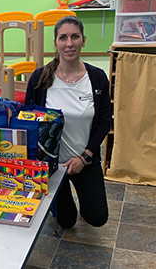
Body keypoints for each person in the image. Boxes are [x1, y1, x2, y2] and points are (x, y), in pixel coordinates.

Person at [25, 16, 110, 229]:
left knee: (97, 218)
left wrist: (85, 157)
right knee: (66, 221)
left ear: (83, 40)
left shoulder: (97, 78)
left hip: (85, 160)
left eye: (75, 37)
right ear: (55, 43)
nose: (69, 43)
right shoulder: (39, 78)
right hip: (53, 164)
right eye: (63, 38)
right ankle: (61, 199)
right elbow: (28, 121)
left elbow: (103, 122)